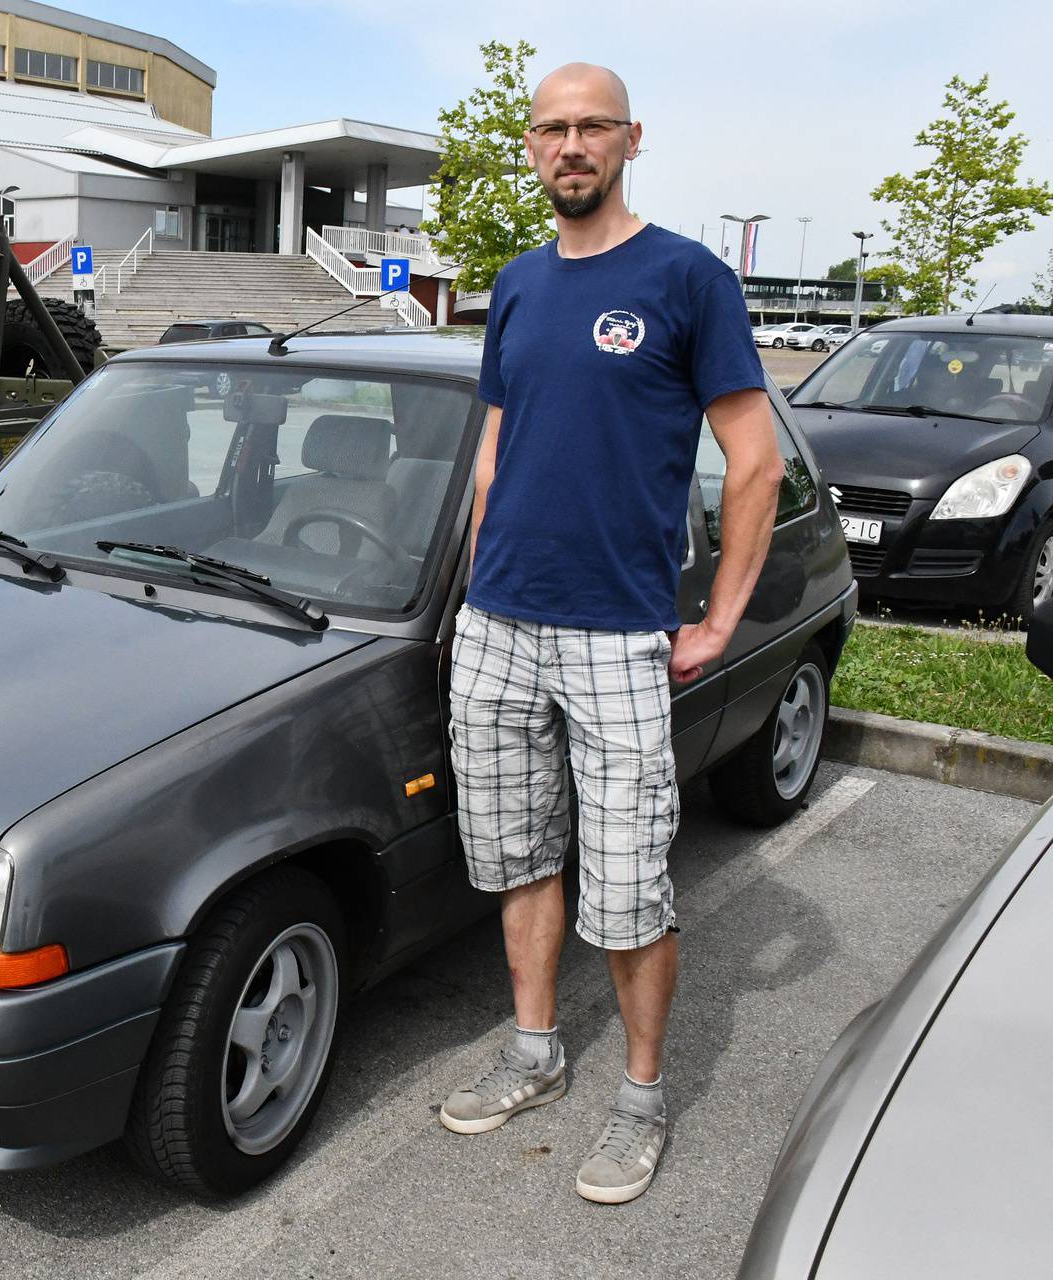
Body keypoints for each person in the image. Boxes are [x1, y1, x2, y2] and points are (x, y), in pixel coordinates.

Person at [438, 63, 782, 1205]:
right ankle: (534, 1053)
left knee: (630, 889)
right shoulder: (518, 283)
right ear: (531, 148)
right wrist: (476, 579)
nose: (570, 144)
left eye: (592, 127)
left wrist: (722, 615)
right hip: (498, 623)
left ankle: (641, 1097)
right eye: (552, 129)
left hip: (617, 635)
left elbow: (756, 457)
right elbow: (497, 440)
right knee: (519, 857)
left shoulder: (687, 277)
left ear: (632, 139)